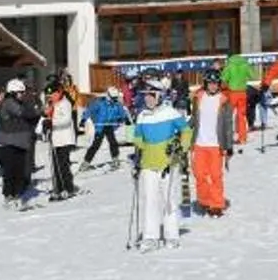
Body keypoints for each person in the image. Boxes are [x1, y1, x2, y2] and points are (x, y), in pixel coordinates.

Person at [130, 86, 192, 249]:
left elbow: (186, 131)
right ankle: (151, 237)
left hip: (169, 163)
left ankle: (171, 236)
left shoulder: (170, 112)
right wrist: (139, 153)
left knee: (169, 201)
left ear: (159, 96)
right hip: (148, 164)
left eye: (152, 95)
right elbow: (137, 138)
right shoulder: (142, 116)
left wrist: (180, 146)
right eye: (146, 96)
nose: (148, 99)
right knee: (150, 200)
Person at [0, 78, 42, 208]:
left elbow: (29, 119)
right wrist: (37, 111)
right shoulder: (9, 102)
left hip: (19, 142)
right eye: (20, 93)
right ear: (13, 92)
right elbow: (22, 113)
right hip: (8, 142)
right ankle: (9, 195)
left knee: (19, 170)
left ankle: (17, 195)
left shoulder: (19, 102)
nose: (22, 95)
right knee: (10, 170)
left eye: (23, 92)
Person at [191, 77, 237, 215]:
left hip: (216, 144)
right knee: (199, 174)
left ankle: (217, 204)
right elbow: (194, 119)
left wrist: (229, 146)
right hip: (199, 143)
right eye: (210, 83)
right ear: (206, 84)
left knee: (215, 175)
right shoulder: (198, 97)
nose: (213, 86)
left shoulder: (224, 101)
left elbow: (228, 125)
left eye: (215, 83)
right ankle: (205, 201)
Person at [45, 80, 82, 200]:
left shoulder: (65, 103)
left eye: (54, 94)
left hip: (65, 138)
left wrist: (52, 122)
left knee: (63, 165)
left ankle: (68, 187)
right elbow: (46, 117)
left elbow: (66, 120)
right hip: (55, 139)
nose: (51, 97)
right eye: (49, 95)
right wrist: (43, 126)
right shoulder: (51, 104)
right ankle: (58, 187)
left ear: (59, 92)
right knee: (56, 165)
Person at [84, 85, 130, 168]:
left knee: (113, 142)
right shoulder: (99, 103)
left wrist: (123, 119)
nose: (114, 100)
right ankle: (86, 162)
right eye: (113, 98)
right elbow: (89, 110)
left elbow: (122, 113)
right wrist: (84, 119)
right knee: (96, 144)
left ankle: (115, 159)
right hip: (100, 126)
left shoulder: (117, 104)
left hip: (110, 125)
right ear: (108, 96)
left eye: (115, 98)